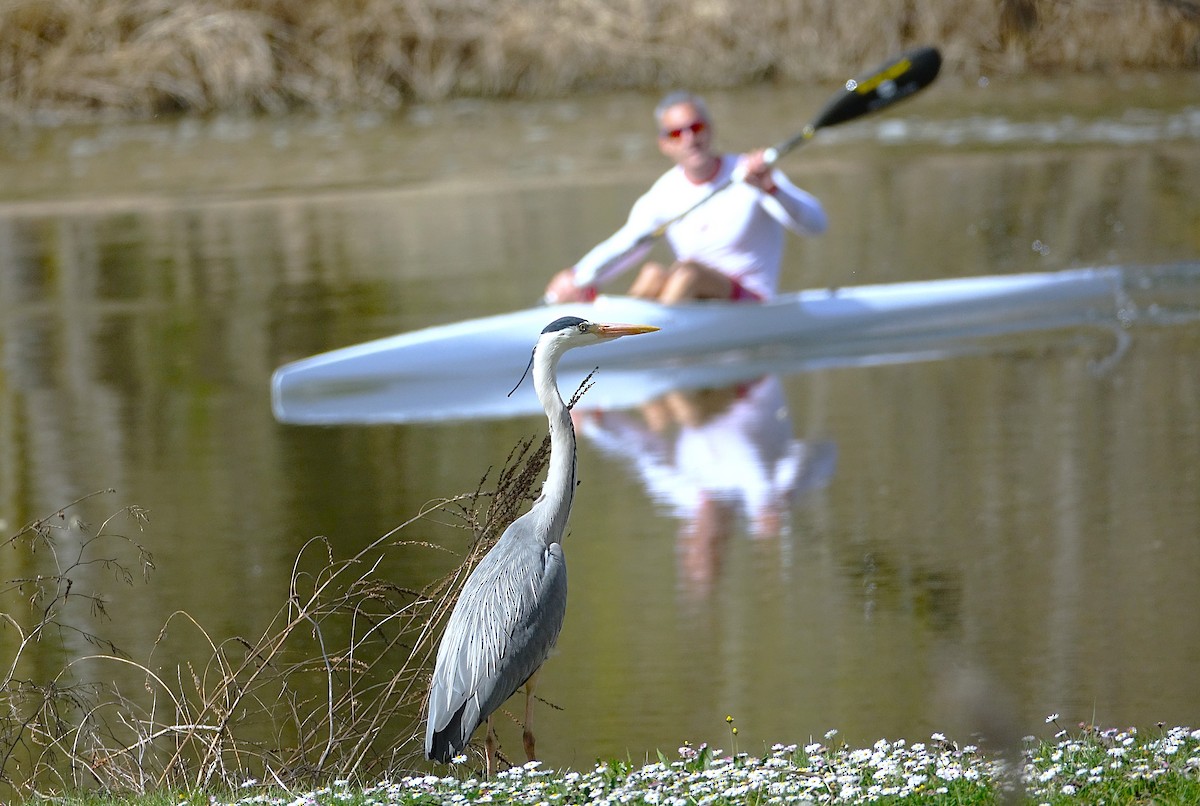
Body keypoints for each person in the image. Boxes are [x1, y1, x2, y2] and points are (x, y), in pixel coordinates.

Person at [545, 91, 828, 304]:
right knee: (653, 273)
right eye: (677, 133)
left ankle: (645, 339)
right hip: (691, 298)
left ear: (710, 129)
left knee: (687, 272)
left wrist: (771, 189)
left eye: (696, 128)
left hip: (752, 303)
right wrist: (579, 277)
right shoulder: (663, 193)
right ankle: (620, 335)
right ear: (664, 144)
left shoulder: (752, 175)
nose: (689, 139)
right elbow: (628, 244)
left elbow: (816, 225)